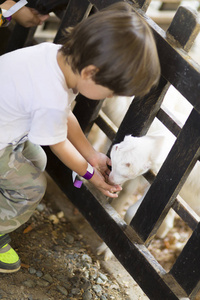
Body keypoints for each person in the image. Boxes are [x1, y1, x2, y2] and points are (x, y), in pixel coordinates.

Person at [0, 1, 160, 273]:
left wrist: (91, 155)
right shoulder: (50, 98)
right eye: (110, 92)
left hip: (8, 132)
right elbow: (58, 142)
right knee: (32, 188)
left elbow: (65, 116)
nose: (110, 98)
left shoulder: (53, 56)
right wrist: (88, 174)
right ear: (90, 73)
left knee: (35, 158)